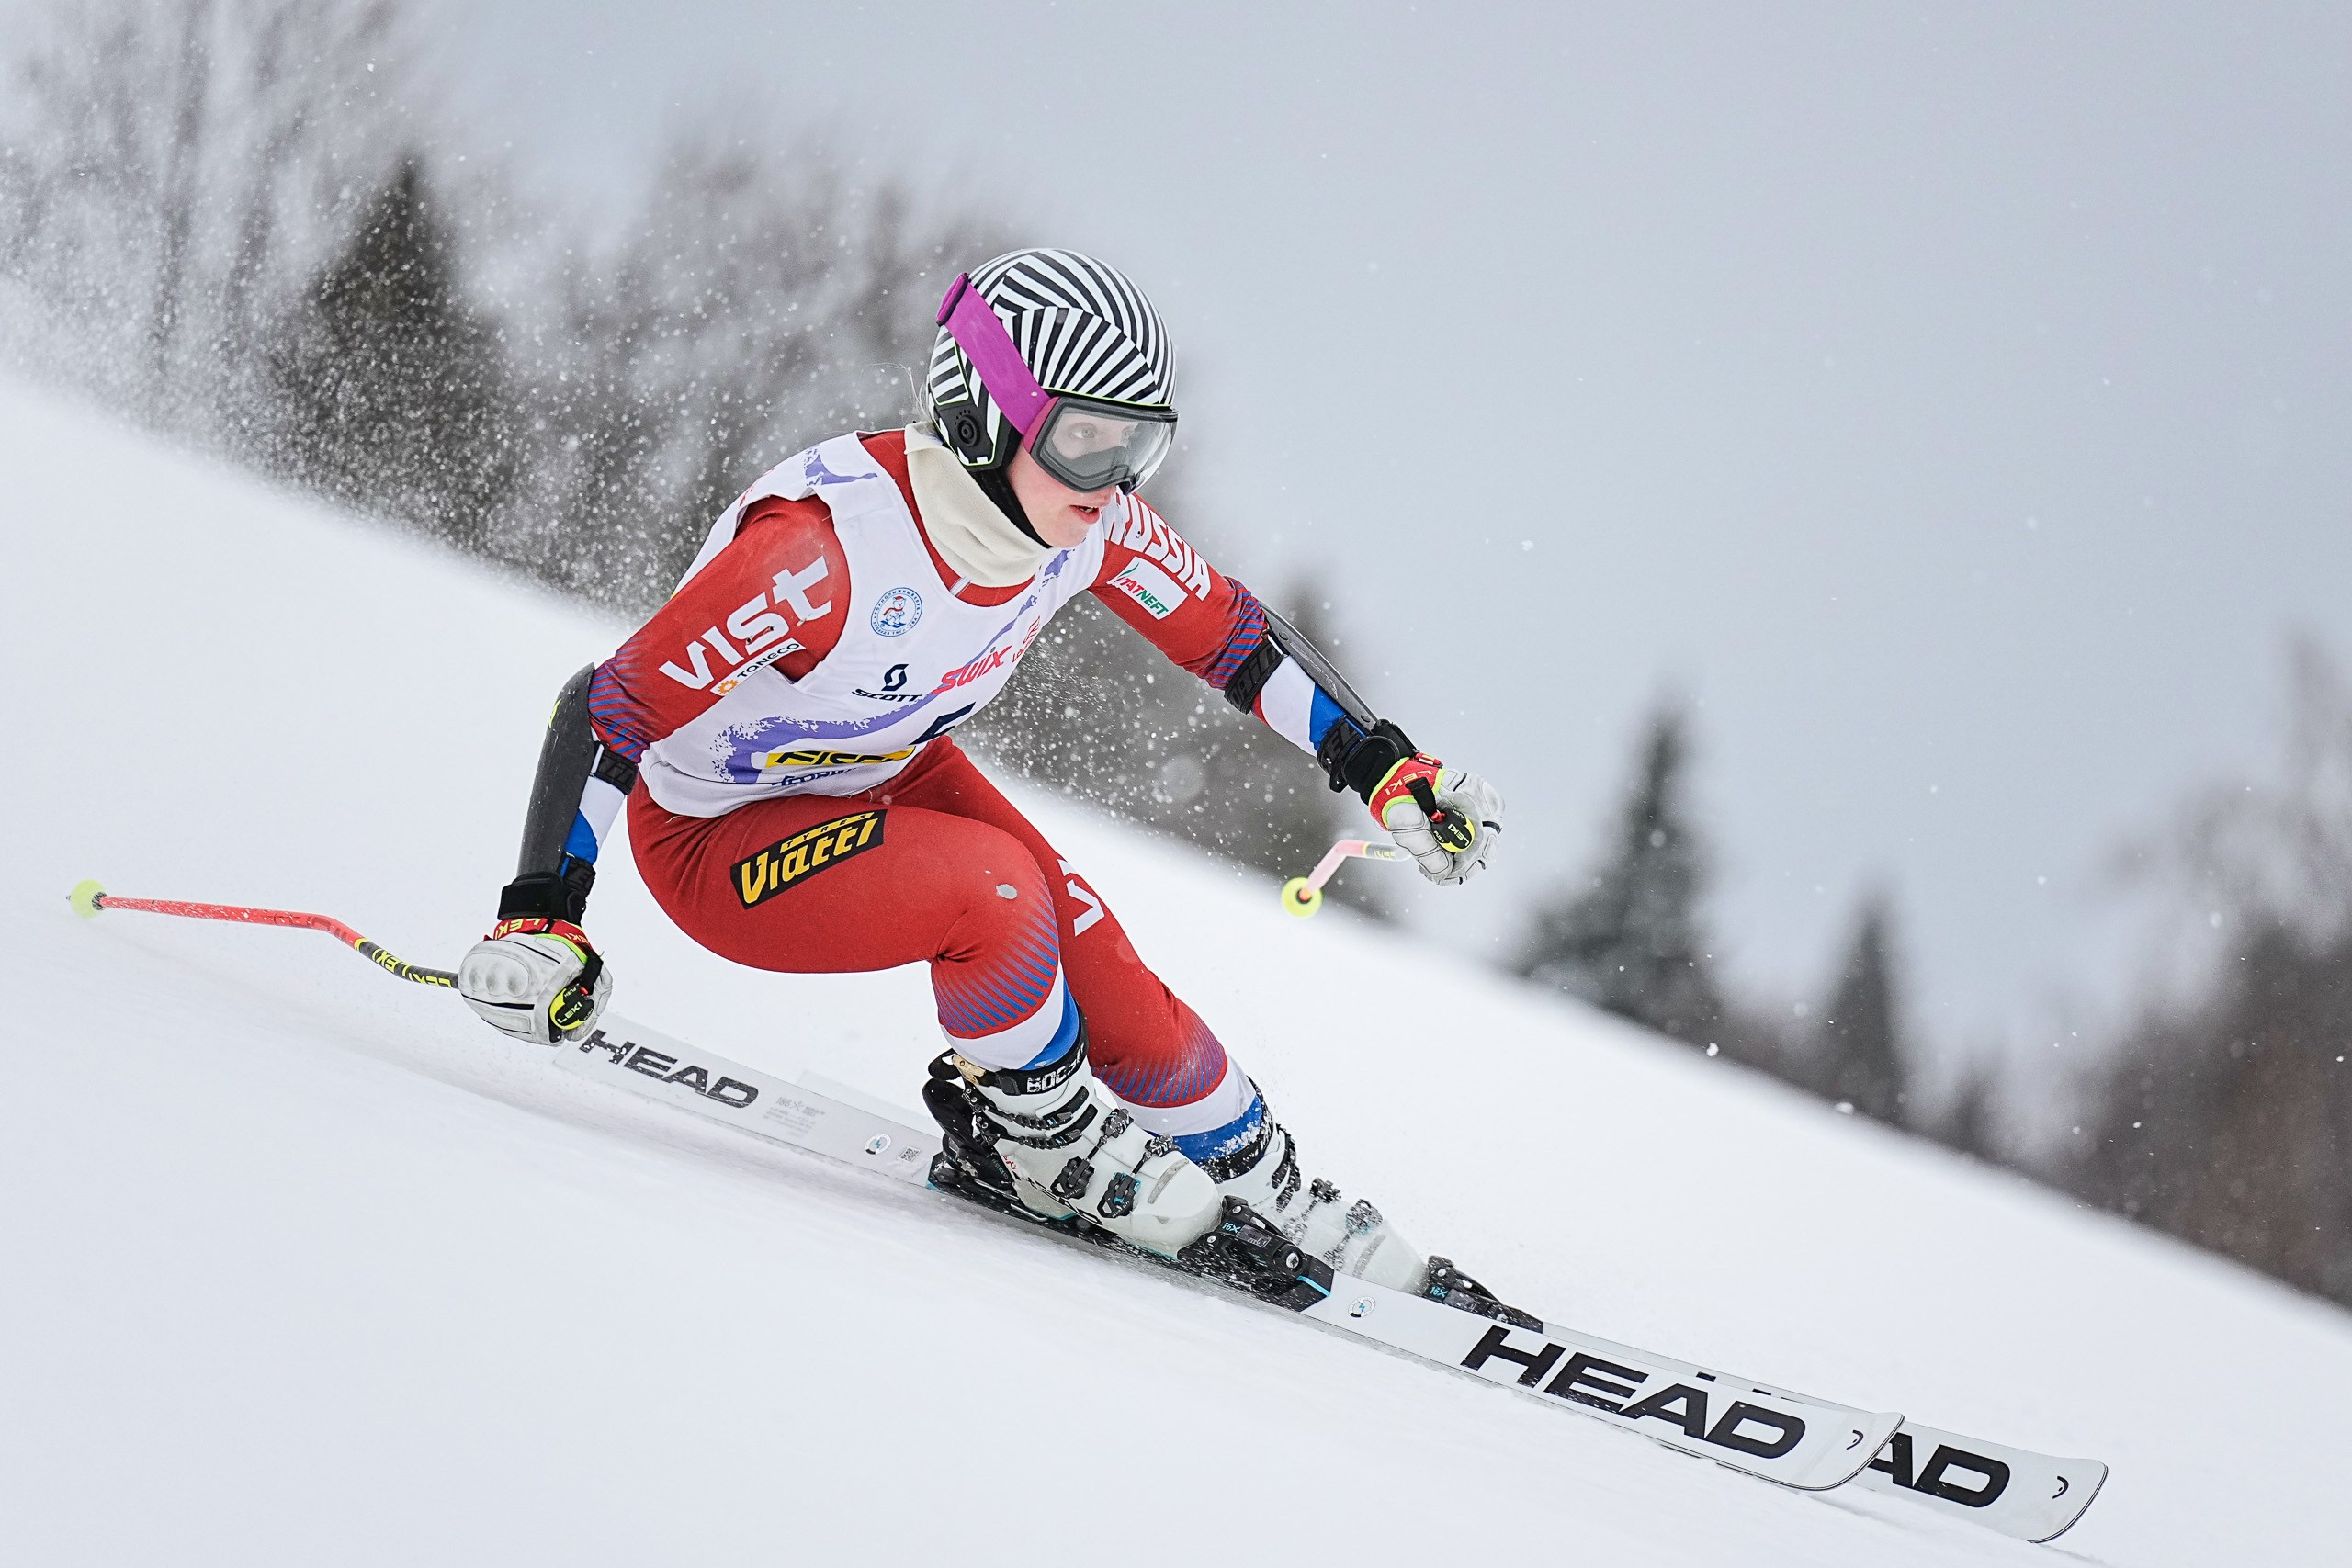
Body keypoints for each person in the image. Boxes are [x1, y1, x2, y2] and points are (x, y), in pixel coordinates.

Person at [456, 248, 1510, 1302]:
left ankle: (1268, 1183)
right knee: (993, 895)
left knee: (1102, 966)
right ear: (981, 417)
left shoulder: (1081, 526)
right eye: (1084, 443)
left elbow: (1232, 639)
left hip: (881, 771)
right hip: (717, 841)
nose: (1114, 484)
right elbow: (606, 707)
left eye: (1137, 446)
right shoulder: (818, 557)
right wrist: (543, 914)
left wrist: (1382, 766)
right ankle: (1036, 1141)